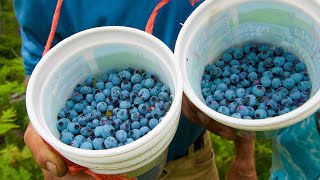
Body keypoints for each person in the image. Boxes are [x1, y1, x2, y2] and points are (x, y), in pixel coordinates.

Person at [14, 0, 256, 179]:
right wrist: (43, 134)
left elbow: (234, 49)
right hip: (99, 172)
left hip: (192, 160)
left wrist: (245, 157)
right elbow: (40, 70)